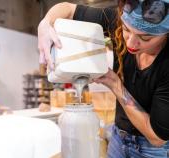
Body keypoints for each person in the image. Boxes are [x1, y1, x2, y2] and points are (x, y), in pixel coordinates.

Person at [38, 0, 169, 157]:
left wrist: (116, 85)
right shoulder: (115, 20)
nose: (131, 43)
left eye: (145, 38)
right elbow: (67, 8)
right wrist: (45, 24)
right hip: (118, 138)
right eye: (126, 29)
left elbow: (157, 138)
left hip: (153, 151)